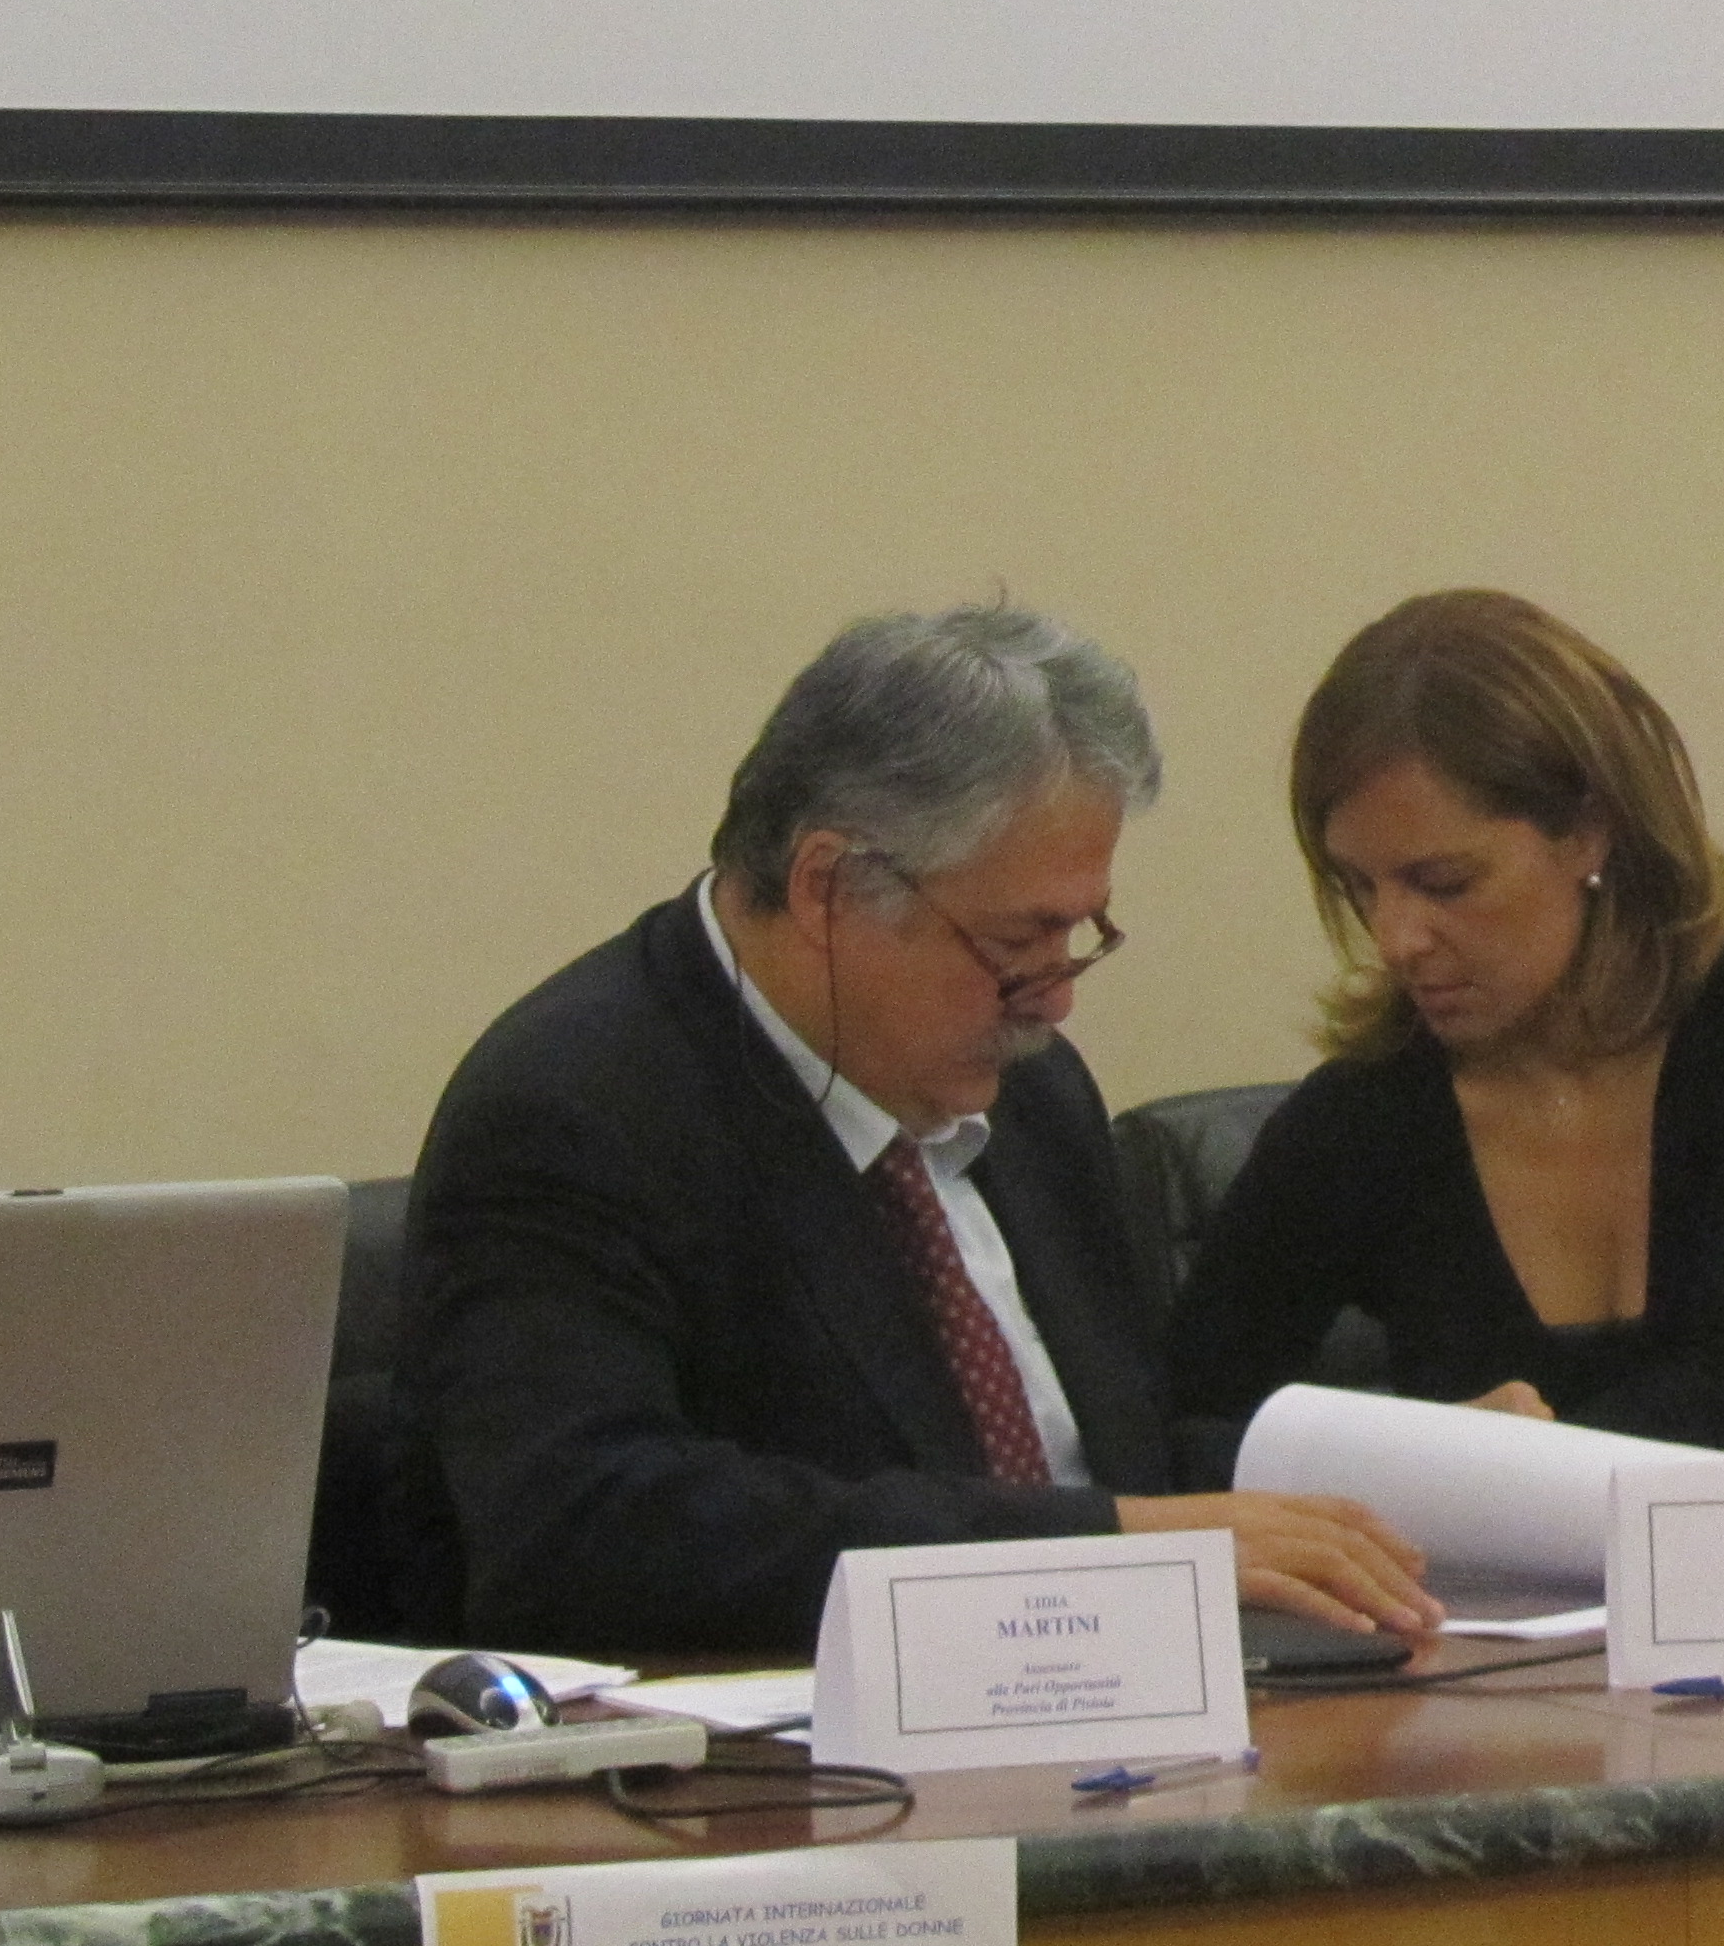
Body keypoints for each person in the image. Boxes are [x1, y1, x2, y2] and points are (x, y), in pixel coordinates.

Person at [393, 603, 1441, 1654]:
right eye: (1017, 941)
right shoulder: (578, 1113)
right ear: (828, 888)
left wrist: (1417, 1473)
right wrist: (1104, 1547)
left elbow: (1124, 1462)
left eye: (1076, 934)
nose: (1054, 1000)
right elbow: (584, 1528)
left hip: (1130, 1693)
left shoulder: (1034, 1095)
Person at [1169, 590, 1724, 1452]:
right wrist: (1401, 1457)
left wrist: (1481, 1461)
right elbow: (1186, 1425)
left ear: (1589, 833)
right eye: (1361, 887)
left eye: (1444, 883)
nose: (1395, 940)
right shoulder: (1366, 1115)